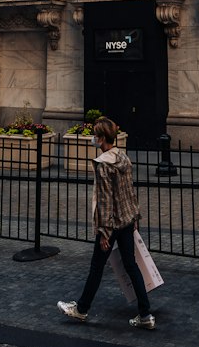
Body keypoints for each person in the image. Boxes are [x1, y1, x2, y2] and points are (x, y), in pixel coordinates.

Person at [58, 116, 155, 329]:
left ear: (101, 138)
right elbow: (129, 192)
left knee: (96, 267)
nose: (93, 138)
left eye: (95, 134)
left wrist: (104, 232)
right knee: (131, 266)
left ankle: (81, 309)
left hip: (112, 225)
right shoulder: (123, 158)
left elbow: (105, 200)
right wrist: (134, 217)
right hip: (127, 221)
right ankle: (145, 314)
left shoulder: (103, 164)